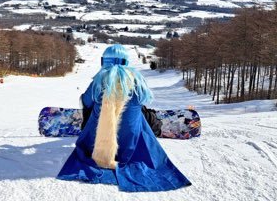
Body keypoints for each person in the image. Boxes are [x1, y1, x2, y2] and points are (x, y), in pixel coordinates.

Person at [57, 44, 192, 192]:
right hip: (131, 145)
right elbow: (142, 100)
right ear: (126, 62)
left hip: (95, 145)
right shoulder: (136, 80)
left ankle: (88, 127)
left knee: (93, 107)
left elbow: (86, 102)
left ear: (105, 61)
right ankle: (155, 125)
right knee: (140, 112)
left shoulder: (99, 80)